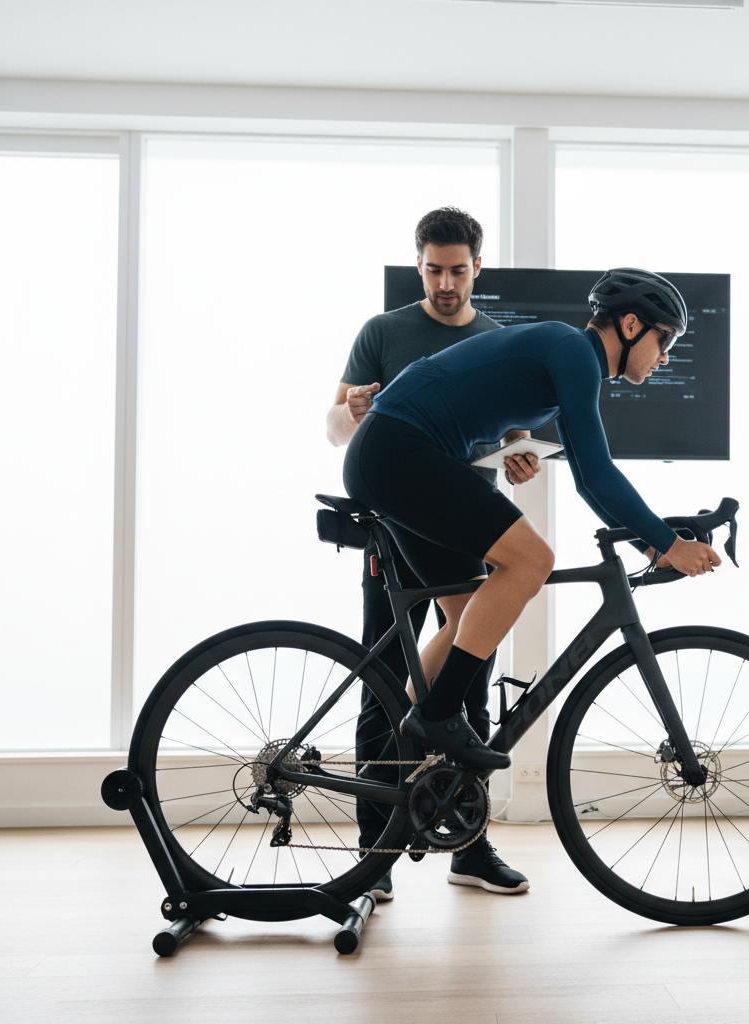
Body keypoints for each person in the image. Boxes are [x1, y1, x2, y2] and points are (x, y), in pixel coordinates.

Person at [343, 268, 721, 776]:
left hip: (395, 453)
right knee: (533, 560)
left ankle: (393, 765)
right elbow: (600, 472)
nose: (666, 356)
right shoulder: (573, 352)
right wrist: (665, 544)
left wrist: (653, 544)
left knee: (464, 617)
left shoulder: (571, 358)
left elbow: (588, 477)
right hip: (399, 450)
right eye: (665, 340)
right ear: (631, 325)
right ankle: (436, 717)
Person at [327, 207, 534, 898]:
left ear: (478, 267)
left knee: (467, 687)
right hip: (392, 530)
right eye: (433, 270)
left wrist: (519, 457)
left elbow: (505, 437)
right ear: (419, 265)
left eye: (458, 270)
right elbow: (332, 428)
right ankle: (374, 854)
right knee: (383, 681)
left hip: (463, 532)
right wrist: (351, 410)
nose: (446, 283)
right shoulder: (383, 332)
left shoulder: (494, 338)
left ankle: (468, 848)